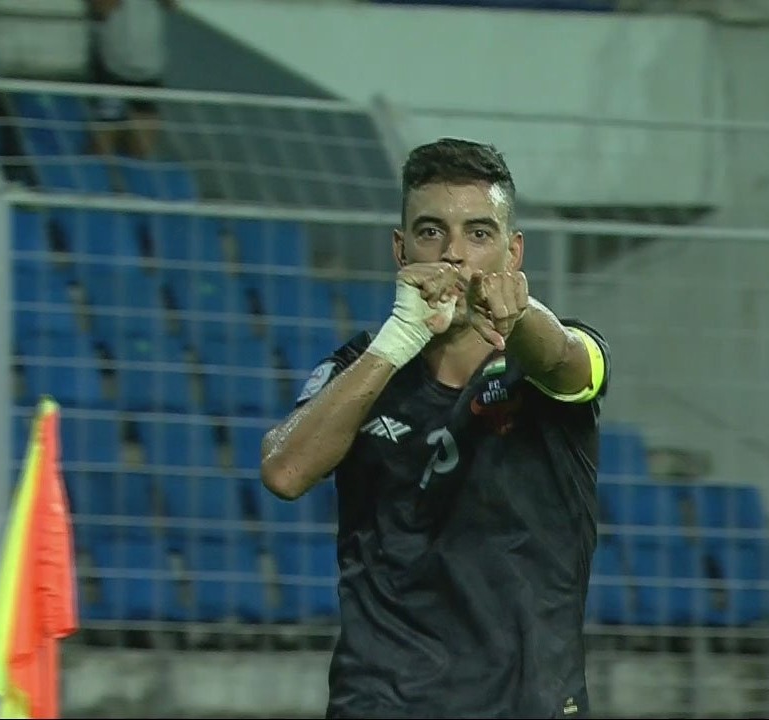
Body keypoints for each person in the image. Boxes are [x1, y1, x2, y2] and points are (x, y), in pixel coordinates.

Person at [261, 138, 611, 719]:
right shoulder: (360, 370)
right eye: (431, 232)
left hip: (529, 703)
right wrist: (396, 342)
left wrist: (520, 316)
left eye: (479, 233)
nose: (454, 255)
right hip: (383, 702)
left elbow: (565, 361)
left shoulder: (553, 363)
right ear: (401, 250)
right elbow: (284, 471)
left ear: (513, 253)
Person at [85, 0, 174, 159]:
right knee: (103, 145)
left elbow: (171, 5)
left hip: (148, 68)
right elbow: (100, 9)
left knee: (141, 148)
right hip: (112, 68)